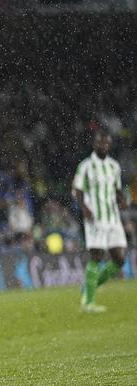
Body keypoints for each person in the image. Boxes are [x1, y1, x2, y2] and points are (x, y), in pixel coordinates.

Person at [72, 128, 128, 313]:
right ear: (94, 144)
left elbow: (116, 189)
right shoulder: (86, 166)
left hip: (113, 218)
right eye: (100, 142)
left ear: (110, 145)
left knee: (119, 259)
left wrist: (121, 199)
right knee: (97, 256)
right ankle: (89, 303)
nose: (103, 145)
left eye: (106, 142)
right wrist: (84, 208)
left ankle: (89, 287)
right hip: (95, 218)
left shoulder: (114, 166)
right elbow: (78, 190)